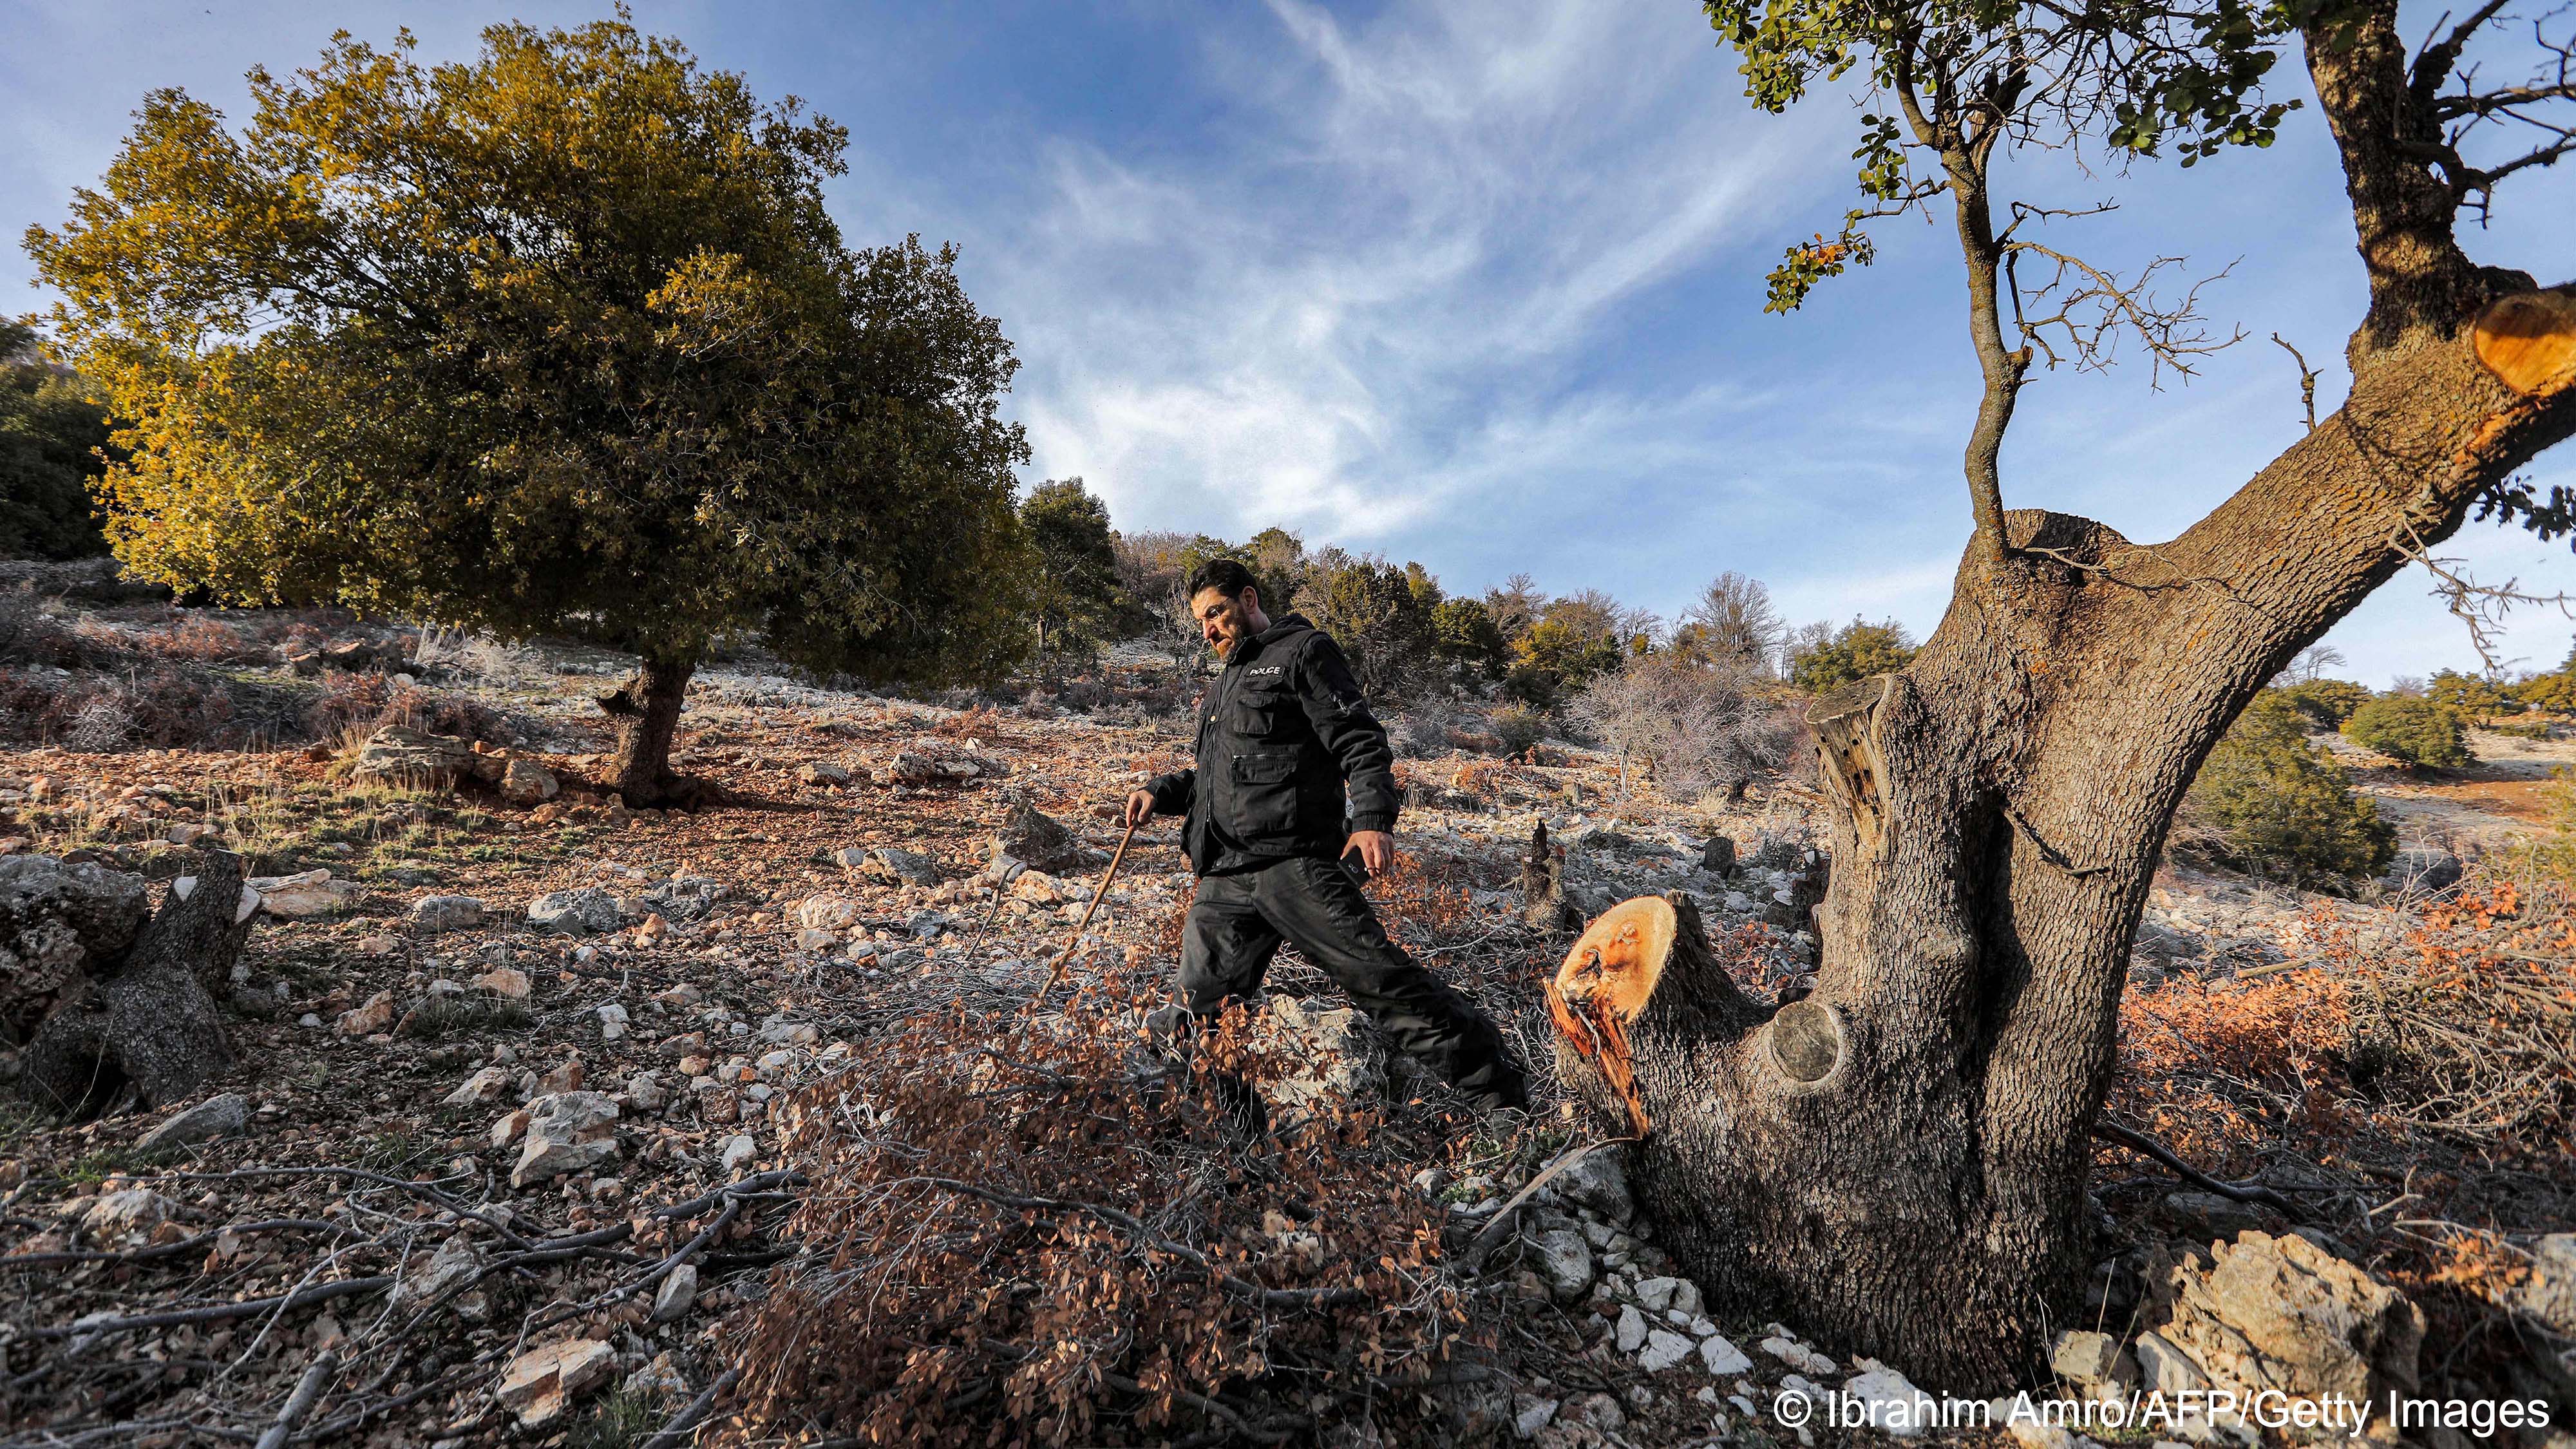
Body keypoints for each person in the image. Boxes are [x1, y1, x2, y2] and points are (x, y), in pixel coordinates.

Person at [1126, 558, 1530, 1113]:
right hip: (1223, 877)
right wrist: (1161, 792)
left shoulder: (1303, 653)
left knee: (1380, 982)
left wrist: (1370, 821)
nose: (1209, 630)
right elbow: (1216, 777)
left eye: (1216, 613)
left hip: (1294, 865)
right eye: (1201, 621)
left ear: (1248, 600)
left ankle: (1500, 1096)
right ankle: (1239, 1148)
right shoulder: (1225, 685)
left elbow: (1360, 741)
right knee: (1196, 1017)